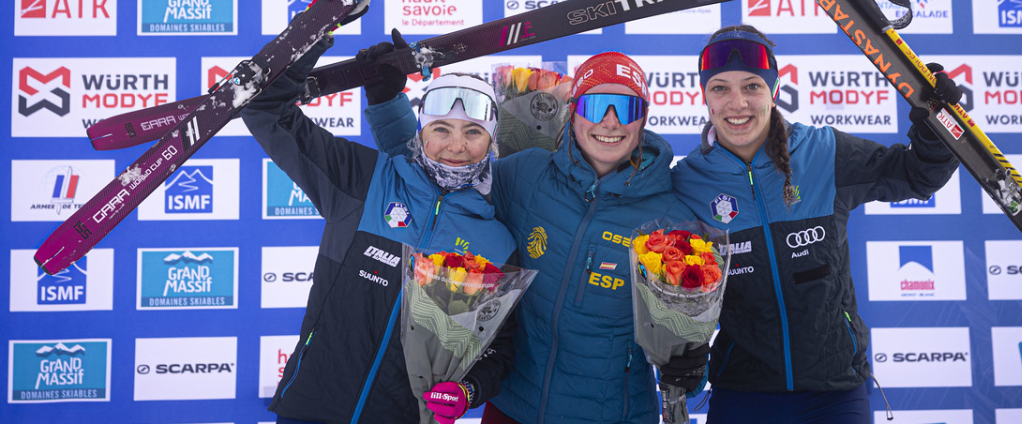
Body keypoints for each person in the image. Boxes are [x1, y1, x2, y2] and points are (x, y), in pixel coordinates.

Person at [365, 50, 709, 424]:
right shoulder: (525, 174)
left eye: (625, 108)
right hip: (514, 406)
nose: (610, 123)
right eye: (596, 106)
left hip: (611, 415)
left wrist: (690, 364)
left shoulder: (671, 217)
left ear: (642, 119)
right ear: (574, 111)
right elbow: (436, 180)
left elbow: (684, 335)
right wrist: (387, 106)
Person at [670, 26, 962, 424]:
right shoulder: (688, 181)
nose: (736, 103)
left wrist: (938, 125)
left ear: (773, 90)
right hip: (744, 390)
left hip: (835, 391)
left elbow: (917, 175)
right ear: (705, 96)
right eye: (720, 88)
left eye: (752, 86)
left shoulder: (823, 152)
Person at [241, 33, 519, 424]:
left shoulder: (497, 242)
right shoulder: (365, 180)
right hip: (311, 407)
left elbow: (498, 348)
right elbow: (266, 110)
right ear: (420, 132)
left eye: (472, 132)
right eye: (441, 128)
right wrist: (317, 30)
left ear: (491, 140)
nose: (456, 145)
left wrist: (468, 389)